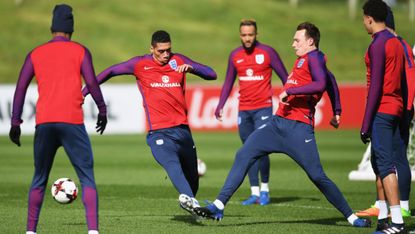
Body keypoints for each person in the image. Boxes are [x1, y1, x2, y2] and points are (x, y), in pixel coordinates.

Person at [193, 22, 371, 228]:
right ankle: (219, 204)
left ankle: (352, 218)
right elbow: (330, 80)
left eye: (297, 40)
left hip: (298, 128)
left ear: (310, 41)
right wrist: (337, 111)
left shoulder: (315, 58)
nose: (293, 44)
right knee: (244, 153)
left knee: (317, 176)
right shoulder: (304, 60)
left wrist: (292, 92)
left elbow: (322, 83)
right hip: (277, 124)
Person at [82, 30, 217, 216]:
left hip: (183, 131)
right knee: (171, 164)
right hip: (159, 132)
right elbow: (112, 71)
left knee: (193, 180)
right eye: (161, 51)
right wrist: (85, 90)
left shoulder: (179, 60)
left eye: (168, 50)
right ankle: (190, 199)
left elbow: (212, 74)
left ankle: (190, 198)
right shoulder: (139, 64)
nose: (166, 54)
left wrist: (192, 68)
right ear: (151, 48)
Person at [9, 4, 107, 234]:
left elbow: (21, 88)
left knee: (40, 177)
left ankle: (30, 231)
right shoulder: (81, 51)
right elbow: (91, 83)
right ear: (71, 28)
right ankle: (93, 231)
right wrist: (102, 109)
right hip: (72, 121)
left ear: (52, 27)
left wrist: (15, 122)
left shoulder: (36, 53)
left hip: (44, 122)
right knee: (87, 177)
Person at [215, 19, 288, 206]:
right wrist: (220, 104)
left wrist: (289, 96)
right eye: (244, 35)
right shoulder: (235, 55)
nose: (247, 38)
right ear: (240, 35)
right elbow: (228, 82)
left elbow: (285, 77)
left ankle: (265, 190)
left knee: (262, 149)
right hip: (244, 110)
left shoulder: (268, 52)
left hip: (263, 108)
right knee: (248, 150)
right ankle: (254, 193)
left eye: (251, 35)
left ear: (256, 35)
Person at [356, 5, 414, 219]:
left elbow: (376, 86)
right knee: (383, 161)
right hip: (397, 107)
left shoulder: (379, 45)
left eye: (363, 19)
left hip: (384, 108)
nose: (363, 23)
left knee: (387, 164)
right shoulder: (398, 45)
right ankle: (383, 216)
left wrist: (365, 123)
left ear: (370, 19)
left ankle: (397, 218)